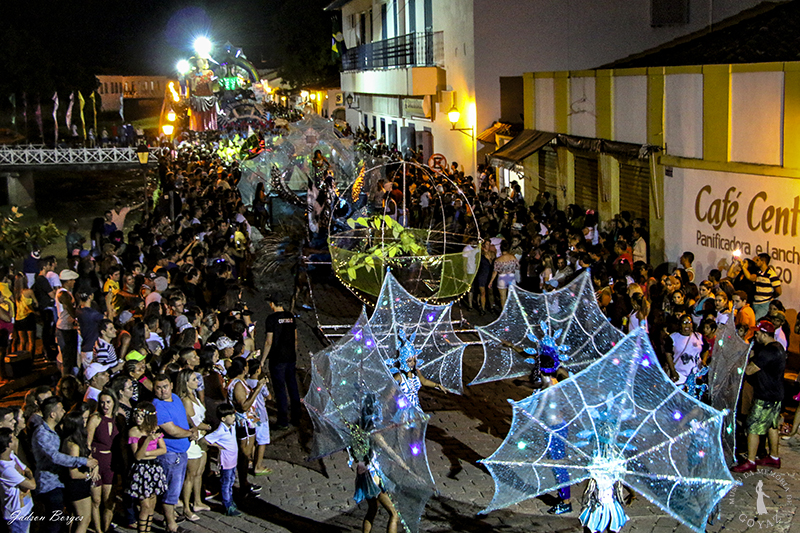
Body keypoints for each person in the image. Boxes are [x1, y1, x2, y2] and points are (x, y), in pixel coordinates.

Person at [31, 397, 98, 533]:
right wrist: (83, 461)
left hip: (60, 482)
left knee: (65, 522)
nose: (64, 411)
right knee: (53, 526)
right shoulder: (42, 434)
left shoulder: (56, 430)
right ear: (52, 414)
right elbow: (55, 457)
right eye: (61, 409)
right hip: (49, 485)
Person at [732, 319, 786, 473]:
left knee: (752, 426)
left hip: (765, 395)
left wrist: (745, 360)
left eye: (757, 333)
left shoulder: (767, 351)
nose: (755, 336)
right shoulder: (778, 347)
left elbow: (749, 370)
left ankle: (750, 461)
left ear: (764, 334)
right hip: (776, 393)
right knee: (772, 426)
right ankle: (774, 457)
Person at [152, 374, 197, 533]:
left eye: (165, 387)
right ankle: (171, 525)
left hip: (181, 452)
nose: (163, 391)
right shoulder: (158, 406)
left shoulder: (176, 398)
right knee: (171, 491)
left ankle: (169, 517)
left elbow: (185, 415)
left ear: (171, 385)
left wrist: (193, 426)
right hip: (170, 454)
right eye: (158, 388)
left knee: (175, 489)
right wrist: (190, 433)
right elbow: (171, 430)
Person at [226, 357, 266, 496]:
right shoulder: (237, 384)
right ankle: (243, 484)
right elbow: (243, 406)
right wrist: (258, 389)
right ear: (243, 369)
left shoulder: (239, 382)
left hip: (248, 421)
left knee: (245, 454)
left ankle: (244, 482)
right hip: (243, 423)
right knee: (244, 454)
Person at [127, 402, 168, 533]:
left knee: (151, 504)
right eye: (136, 415)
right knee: (144, 505)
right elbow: (138, 456)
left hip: (154, 468)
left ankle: (148, 529)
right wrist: (147, 440)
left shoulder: (155, 428)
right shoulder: (134, 431)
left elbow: (163, 449)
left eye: (141, 416)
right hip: (141, 470)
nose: (138, 418)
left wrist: (148, 454)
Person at [175, 369, 210, 519]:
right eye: (194, 379)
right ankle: (186, 507)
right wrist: (208, 427)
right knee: (190, 475)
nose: (197, 382)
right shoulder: (186, 400)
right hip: (193, 439)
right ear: (186, 382)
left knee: (199, 472)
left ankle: (197, 501)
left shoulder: (194, 396)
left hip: (202, 437)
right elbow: (193, 421)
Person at [263, 300, 300, 430]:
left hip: (277, 359)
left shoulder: (271, 319)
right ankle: (296, 417)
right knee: (293, 386)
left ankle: (283, 420)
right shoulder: (291, 316)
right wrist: (294, 353)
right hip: (290, 358)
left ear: (272, 304)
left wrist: (263, 360)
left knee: (280, 390)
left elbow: (269, 341)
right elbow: (295, 338)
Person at [59, 406, 97, 533]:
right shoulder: (73, 446)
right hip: (77, 487)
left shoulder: (72, 441)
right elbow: (73, 473)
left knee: (78, 520)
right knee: (84, 520)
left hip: (80, 485)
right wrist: (88, 476)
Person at [87, 389, 120, 533]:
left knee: (109, 501)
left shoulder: (117, 418)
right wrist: (92, 463)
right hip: (97, 462)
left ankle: (106, 528)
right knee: (96, 500)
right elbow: (87, 444)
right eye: (102, 402)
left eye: (108, 402)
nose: (105, 405)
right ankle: (98, 530)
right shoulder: (95, 418)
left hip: (111, 463)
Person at [203, 403, 241, 516]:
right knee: (226, 483)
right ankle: (227, 505)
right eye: (231, 415)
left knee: (231, 481)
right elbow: (206, 440)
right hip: (226, 461)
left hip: (233, 460)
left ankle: (230, 500)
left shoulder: (231, 426)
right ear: (223, 419)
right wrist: (217, 446)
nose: (234, 417)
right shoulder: (220, 431)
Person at [0, 427, 35, 533]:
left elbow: (27, 470)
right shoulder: (6, 469)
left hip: (25, 509)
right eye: (13, 438)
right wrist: (30, 478)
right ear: (8, 444)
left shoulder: (12, 456)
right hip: (17, 516)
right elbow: (32, 485)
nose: (16, 439)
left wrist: (27, 476)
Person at [245, 359, 272, 476]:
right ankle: (258, 466)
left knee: (252, 437)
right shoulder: (259, 384)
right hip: (261, 415)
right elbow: (269, 397)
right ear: (257, 370)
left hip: (250, 414)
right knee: (262, 440)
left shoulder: (245, 382)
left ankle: (250, 459)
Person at [663, 315, 703, 386]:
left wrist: (703, 362)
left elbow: (705, 350)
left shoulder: (698, 336)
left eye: (689, 322)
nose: (687, 325)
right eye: (684, 323)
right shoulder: (673, 338)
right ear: (680, 325)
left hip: (695, 374)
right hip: (679, 373)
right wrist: (673, 371)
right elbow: (668, 354)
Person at [741, 253, 781, 320]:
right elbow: (750, 277)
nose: (755, 262)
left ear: (763, 262)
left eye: (757, 260)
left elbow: (778, 291)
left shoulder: (771, 274)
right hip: (755, 303)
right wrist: (743, 267)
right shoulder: (758, 273)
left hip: (764, 304)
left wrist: (768, 298)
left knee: (755, 322)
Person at [55, 269, 80, 376]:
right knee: (67, 359)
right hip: (65, 329)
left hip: (67, 327)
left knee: (68, 357)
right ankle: (64, 379)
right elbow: (71, 311)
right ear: (68, 281)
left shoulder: (65, 292)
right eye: (72, 280)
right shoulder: (63, 294)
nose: (74, 282)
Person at [489, 240, 519, 309]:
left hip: (502, 278)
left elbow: (495, 272)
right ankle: (512, 310)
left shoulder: (498, 260)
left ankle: (504, 312)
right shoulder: (513, 257)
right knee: (512, 296)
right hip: (511, 277)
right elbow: (517, 267)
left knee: (503, 297)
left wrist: (491, 281)